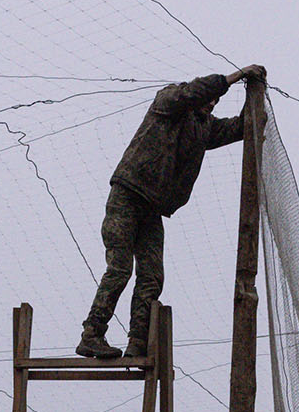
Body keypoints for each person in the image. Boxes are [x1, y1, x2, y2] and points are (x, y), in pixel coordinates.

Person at [78, 65, 264, 361]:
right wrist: (233, 77)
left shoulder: (204, 127)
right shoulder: (169, 102)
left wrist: (256, 93)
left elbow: (241, 127)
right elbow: (193, 93)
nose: (212, 103)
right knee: (120, 268)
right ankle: (92, 334)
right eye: (210, 96)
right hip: (127, 195)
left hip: (152, 208)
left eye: (216, 100)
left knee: (152, 276)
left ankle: (138, 341)